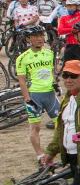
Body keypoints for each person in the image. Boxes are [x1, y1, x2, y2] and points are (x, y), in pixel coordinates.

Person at [15, 25, 60, 156]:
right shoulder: (22, 58)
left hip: (50, 94)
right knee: (35, 127)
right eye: (35, 36)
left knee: (61, 124)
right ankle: (40, 155)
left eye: (41, 35)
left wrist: (55, 84)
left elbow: (52, 72)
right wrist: (27, 99)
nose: (40, 38)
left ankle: (59, 150)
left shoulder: (49, 53)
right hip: (35, 95)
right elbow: (22, 81)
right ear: (29, 39)